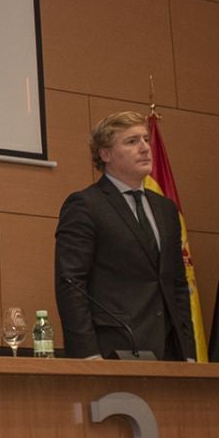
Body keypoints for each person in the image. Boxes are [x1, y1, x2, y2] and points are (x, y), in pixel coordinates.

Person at [53, 110, 197, 360]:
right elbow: (71, 284)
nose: (144, 148)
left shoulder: (166, 209)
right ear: (105, 154)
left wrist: (189, 351)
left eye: (145, 140)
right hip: (114, 349)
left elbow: (177, 285)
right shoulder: (86, 205)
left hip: (172, 351)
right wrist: (87, 354)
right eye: (132, 142)